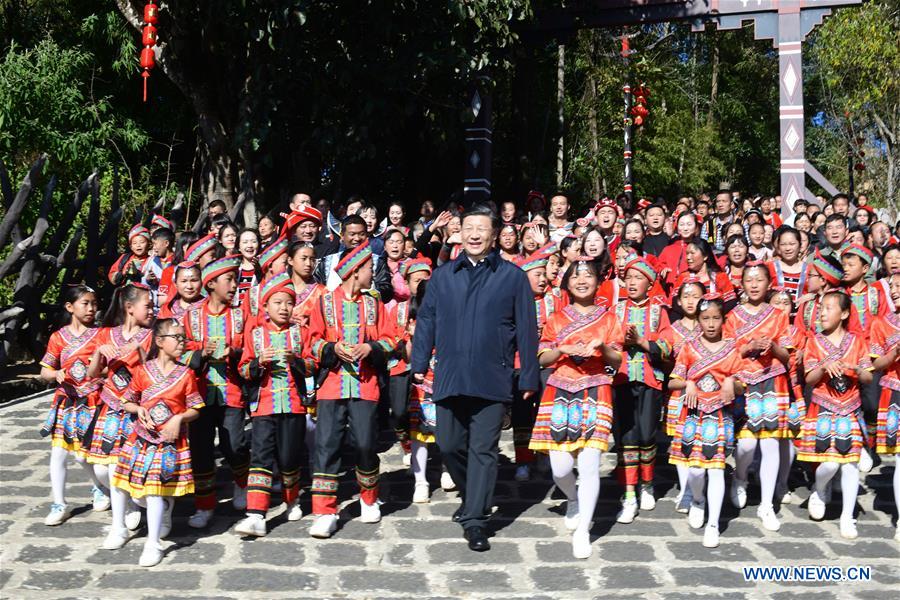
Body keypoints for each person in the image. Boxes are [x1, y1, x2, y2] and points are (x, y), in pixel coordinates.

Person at [410, 203, 539, 552]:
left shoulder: (512, 277)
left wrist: (528, 375)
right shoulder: (442, 276)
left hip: (492, 376)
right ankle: (473, 500)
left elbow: (528, 329)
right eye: (468, 227)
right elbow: (427, 321)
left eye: (482, 228)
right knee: (450, 444)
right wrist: (419, 361)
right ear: (459, 232)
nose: (475, 234)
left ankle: (476, 520)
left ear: (495, 234)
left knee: (483, 449)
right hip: (450, 375)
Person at [528, 258, 623, 558]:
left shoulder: (609, 319)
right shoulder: (556, 318)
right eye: (576, 276)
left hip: (596, 389)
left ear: (598, 282)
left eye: (589, 275)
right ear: (567, 283)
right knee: (560, 468)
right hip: (560, 391)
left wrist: (601, 346)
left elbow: (617, 360)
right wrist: (562, 350)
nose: (582, 280)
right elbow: (542, 358)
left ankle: (583, 531)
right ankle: (573, 497)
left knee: (590, 463)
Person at [305, 240, 398, 538]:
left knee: (366, 444)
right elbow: (311, 343)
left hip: (365, 385)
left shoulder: (374, 304)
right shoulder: (323, 302)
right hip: (331, 386)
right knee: (326, 447)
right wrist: (334, 347)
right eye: (370, 267)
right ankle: (325, 510)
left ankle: (369, 498)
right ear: (355, 271)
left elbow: (391, 339)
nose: (374, 272)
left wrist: (368, 348)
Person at [104, 318, 202, 567]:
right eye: (176, 338)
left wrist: (179, 418)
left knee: (155, 489)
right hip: (140, 439)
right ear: (159, 342)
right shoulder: (142, 371)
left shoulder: (187, 374)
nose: (182, 342)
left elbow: (196, 408)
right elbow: (126, 401)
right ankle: (132, 522)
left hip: (169, 443)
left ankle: (153, 542)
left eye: (183, 338)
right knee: (129, 489)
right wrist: (138, 410)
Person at [234, 273, 310, 537]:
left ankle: (292, 499)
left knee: (289, 458)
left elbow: (312, 366)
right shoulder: (255, 336)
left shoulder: (300, 333)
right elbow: (243, 369)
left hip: (294, 405)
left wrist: (297, 360)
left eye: (288, 303)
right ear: (265, 307)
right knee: (261, 458)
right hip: (263, 407)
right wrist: (258, 363)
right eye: (277, 302)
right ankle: (256, 514)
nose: (283, 308)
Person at [668, 293, 745, 548]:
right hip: (693, 415)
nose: (711, 324)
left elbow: (743, 383)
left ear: (723, 319)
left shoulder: (733, 347)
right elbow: (672, 380)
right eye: (705, 319)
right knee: (696, 469)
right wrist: (688, 381)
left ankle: (713, 523)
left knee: (715, 469)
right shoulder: (689, 347)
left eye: (715, 318)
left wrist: (731, 381)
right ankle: (698, 499)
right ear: (698, 320)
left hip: (720, 416)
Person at [798, 290, 872, 539]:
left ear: (844, 313)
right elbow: (809, 379)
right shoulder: (814, 341)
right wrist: (823, 366)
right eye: (821, 309)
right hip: (823, 407)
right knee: (828, 462)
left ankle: (847, 516)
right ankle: (820, 489)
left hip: (850, 407)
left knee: (850, 465)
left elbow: (868, 376)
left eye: (829, 308)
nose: (823, 313)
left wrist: (854, 369)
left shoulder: (857, 341)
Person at [183, 256, 251, 529]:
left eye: (235, 279)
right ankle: (204, 505)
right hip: (198, 395)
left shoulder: (240, 315)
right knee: (200, 451)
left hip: (231, 392)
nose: (234, 285)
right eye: (229, 280)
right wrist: (201, 353)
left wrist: (233, 353)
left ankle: (242, 484)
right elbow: (181, 351)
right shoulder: (192, 316)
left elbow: (249, 348)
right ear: (211, 284)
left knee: (234, 445)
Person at [725, 263, 792, 532]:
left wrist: (773, 347)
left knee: (771, 445)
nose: (753, 285)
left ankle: (766, 504)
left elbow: (787, 356)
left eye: (759, 280)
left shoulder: (778, 315)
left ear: (768, 284)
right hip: (744, 384)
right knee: (746, 447)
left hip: (773, 382)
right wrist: (748, 347)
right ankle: (739, 476)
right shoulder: (732, 317)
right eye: (749, 280)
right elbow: (727, 356)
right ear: (741, 284)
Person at [85, 283, 155, 532]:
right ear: (129, 307)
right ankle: (130, 503)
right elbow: (92, 375)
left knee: (125, 463)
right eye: (147, 305)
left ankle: (135, 504)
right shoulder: (105, 334)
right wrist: (98, 354)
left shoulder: (151, 336)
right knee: (102, 469)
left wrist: (140, 351)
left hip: (136, 408)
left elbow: (154, 375)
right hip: (110, 406)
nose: (151, 310)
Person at [39, 285, 106, 525]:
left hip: (94, 401)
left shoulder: (102, 335)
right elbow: (44, 369)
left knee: (84, 456)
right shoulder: (58, 337)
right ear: (70, 307)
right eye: (85, 303)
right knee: (59, 453)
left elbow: (113, 367)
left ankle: (99, 487)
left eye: (94, 303)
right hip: (66, 402)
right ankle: (59, 503)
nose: (91, 308)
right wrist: (55, 373)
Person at [612, 257, 670, 523]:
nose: (632, 283)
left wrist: (641, 342)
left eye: (638, 278)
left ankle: (647, 483)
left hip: (649, 379)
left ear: (649, 283)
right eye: (629, 278)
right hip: (622, 379)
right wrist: (619, 343)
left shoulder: (659, 311)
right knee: (626, 437)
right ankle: (628, 493)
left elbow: (669, 346)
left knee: (647, 435)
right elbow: (607, 339)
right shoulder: (616, 310)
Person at [511, 248, 562, 482]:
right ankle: (523, 458)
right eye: (537, 275)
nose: (543, 279)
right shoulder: (513, 300)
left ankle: (543, 453)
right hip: (520, 363)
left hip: (549, 364)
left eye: (544, 274)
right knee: (522, 412)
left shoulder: (556, 299)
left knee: (545, 411)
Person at [658, 277, 704, 513]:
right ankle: (686, 489)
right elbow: (664, 359)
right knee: (681, 441)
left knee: (702, 440)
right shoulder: (671, 330)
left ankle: (698, 488)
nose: (690, 301)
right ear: (677, 300)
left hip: (707, 393)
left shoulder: (710, 328)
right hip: (679, 392)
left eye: (695, 295)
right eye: (685, 296)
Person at [868, 273, 900, 541]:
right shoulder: (881, 324)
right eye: (893, 287)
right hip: (895, 392)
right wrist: (893, 354)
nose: (896, 290)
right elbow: (874, 365)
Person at [315, 215, 394, 302]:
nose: (357, 239)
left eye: (362, 234)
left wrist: (366, 292)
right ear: (342, 236)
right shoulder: (327, 262)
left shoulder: (377, 261)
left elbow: (387, 291)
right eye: (352, 234)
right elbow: (315, 289)